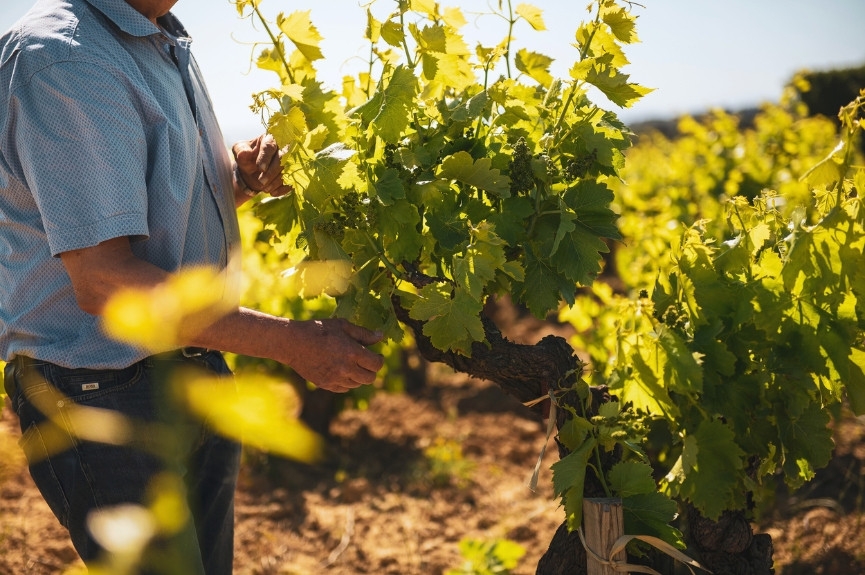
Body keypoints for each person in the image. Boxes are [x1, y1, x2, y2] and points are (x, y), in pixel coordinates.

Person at [0, 0, 384, 573]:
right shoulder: (65, 60)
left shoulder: (162, 41)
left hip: (190, 370)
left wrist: (242, 181)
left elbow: (155, 212)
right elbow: (107, 283)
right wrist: (293, 342)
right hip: (102, 390)